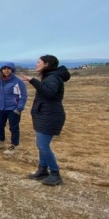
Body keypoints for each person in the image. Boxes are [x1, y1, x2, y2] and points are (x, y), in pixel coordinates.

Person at [20, 55, 71, 186]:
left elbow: (50, 93)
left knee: (42, 145)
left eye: (39, 62)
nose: (36, 64)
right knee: (42, 145)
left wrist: (32, 80)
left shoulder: (53, 77)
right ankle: (43, 170)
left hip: (50, 116)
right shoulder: (50, 76)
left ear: (46, 64)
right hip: (46, 114)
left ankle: (55, 173)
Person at [0, 63, 28, 155]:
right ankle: (0, 141)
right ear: (1, 70)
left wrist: (19, 108)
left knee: (13, 128)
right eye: (4, 68)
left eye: (8, 69)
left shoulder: (18, 82)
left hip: (13, 109)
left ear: (12, 70)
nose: (6, 70)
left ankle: (14, 146)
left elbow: (23, 95)